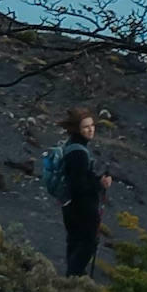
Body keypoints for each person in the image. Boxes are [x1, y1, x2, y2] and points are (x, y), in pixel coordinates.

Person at [45, 106, 111, 277]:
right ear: (77, 129)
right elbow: (80, 185)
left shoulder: (71, 147)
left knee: (74, 241)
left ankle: (70, 280)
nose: (91, 130)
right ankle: (73, 279)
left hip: (69, 205)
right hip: (82, 208)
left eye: (92, 125)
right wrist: (100, 184)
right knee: (87, 243)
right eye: (86, 127)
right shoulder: (79, 154)